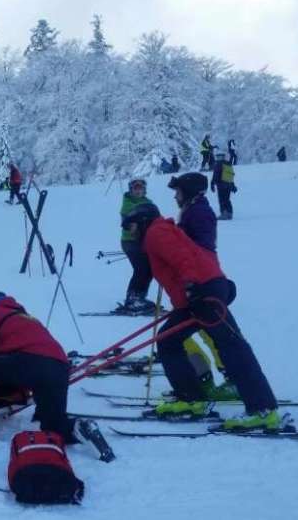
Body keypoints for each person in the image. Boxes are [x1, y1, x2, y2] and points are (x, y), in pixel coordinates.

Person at [121, 204, 281, 431]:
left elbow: (183, 257)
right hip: (200, 294)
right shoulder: (158, 232)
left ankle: (262, 410)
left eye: (131, 226)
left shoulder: (156, 232)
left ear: (144, 220)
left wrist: (192, 286)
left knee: (232, 347)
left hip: (202, 293)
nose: (131, 232)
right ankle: (191, 399)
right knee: (168, 339)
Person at [0, 292, 114, 460]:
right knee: (53, 426)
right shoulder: (27, 318)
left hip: (27, 359)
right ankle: (80, 427)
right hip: (59, 367)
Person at [168, 173, 238, 401]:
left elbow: (202, 248)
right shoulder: (192, 210)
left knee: (207, 331)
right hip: (191, 279)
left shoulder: (200, 213)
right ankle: (203, 376)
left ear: (188, 192)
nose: (175, 196)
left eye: (178, 192)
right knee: (188, 333)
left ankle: (230, 377)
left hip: (201, 281)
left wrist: (178, 241)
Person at [118, 179, 156, 314]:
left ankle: (139, 297)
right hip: (130, 242)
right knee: (141, 268)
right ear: (131, 190)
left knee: (149, 269)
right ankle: (132, 299)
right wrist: (132, 226)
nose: (138, 191)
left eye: (140, 188)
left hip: (143, 241)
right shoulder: (128, 204)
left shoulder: (148, 203)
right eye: (135, 188)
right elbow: (127, 221)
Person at [211, 153, 236, 220]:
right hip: (228, 185)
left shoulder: (218, 164)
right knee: (227, 199)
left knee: (221, 199)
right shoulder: (228, 164)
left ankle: (224, 214)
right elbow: (231, 176)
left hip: (221, 185)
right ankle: (230, 213)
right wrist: (233, 185)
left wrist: (212, 184)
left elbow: (215, 175)